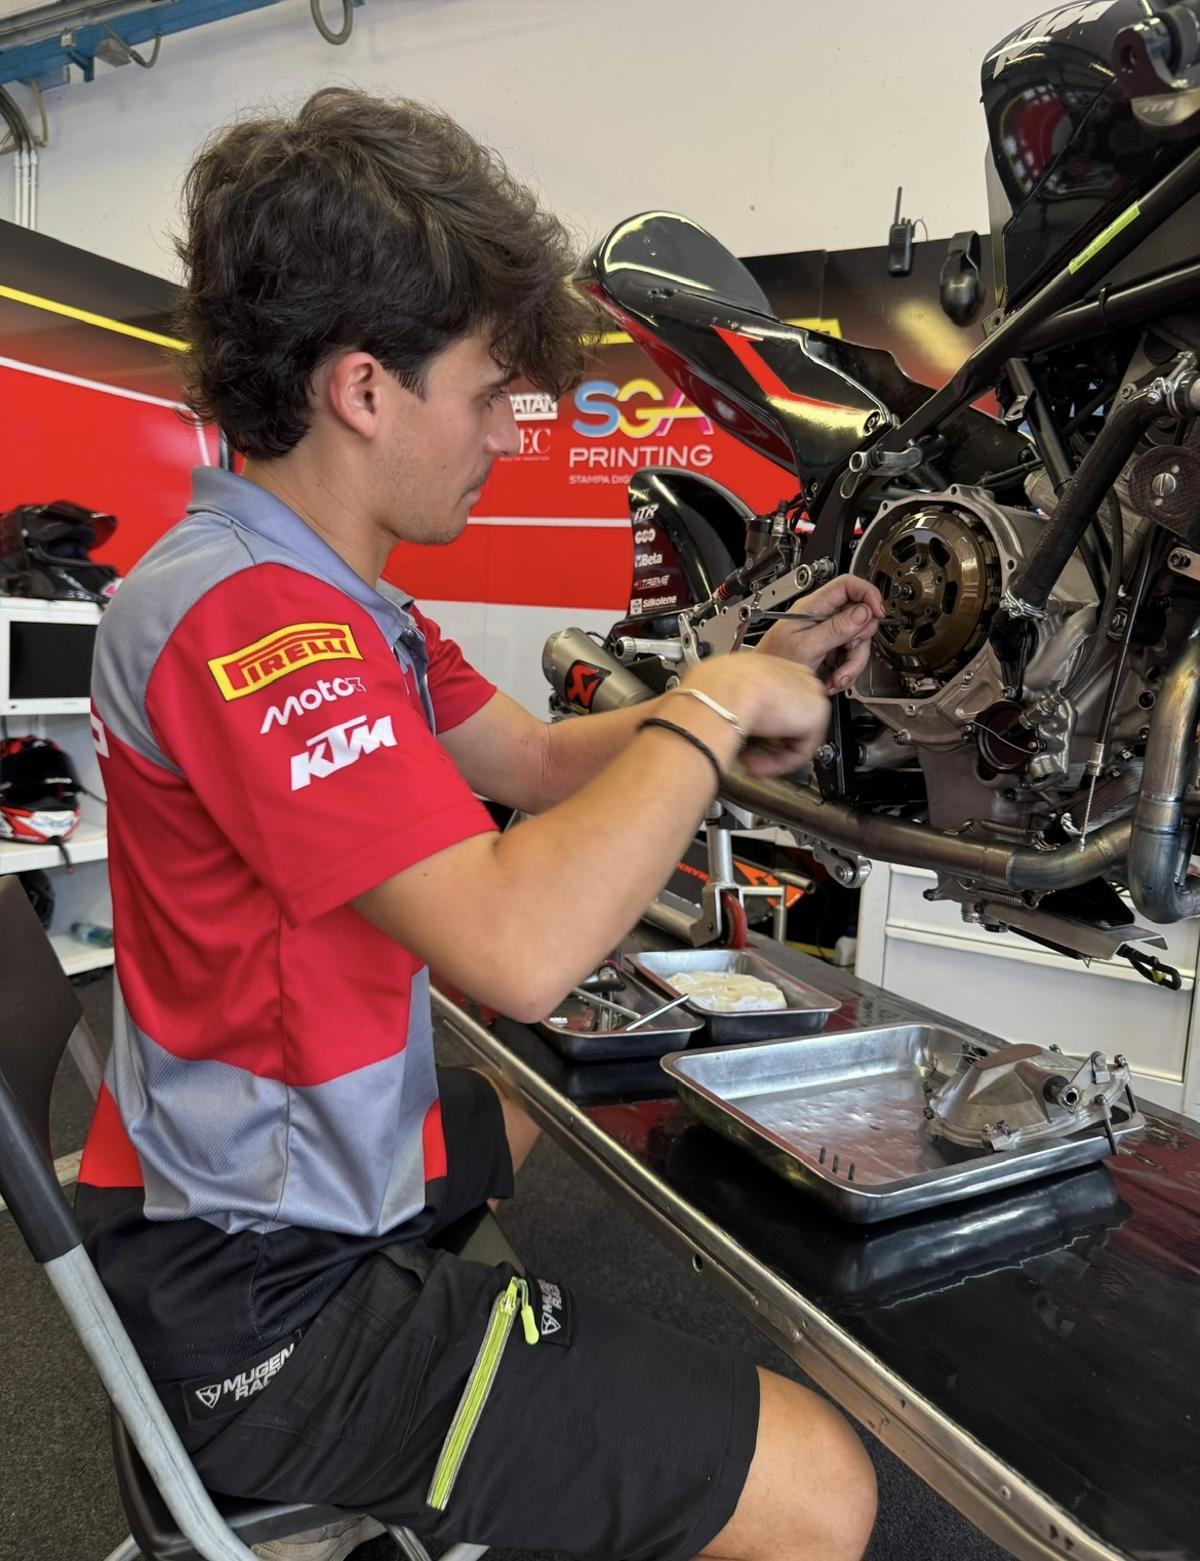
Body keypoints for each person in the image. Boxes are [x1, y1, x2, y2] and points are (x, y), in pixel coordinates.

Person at [76, 89, 883, 1561]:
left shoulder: (347, 602)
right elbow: (512, 945)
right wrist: (711, 712)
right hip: (265, 1299)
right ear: (364, 390)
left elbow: (544, 756)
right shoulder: (248, 618)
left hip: (261, 1179)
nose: (511, 431)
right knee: (823, 1487)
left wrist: (743, 663)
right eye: (489, 392)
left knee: (533, 1102)